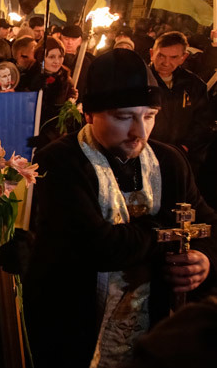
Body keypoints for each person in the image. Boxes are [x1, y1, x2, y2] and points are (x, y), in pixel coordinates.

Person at [25, 49, 217, 368]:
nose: (139, 132)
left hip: (151, 331)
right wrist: (161, 232)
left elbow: (208, 224)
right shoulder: (59, 161)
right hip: (75, 330)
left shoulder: (169, 163)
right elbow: (99, 246)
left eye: (149, 116)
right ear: (89, 114)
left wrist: (204, 259)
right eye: (124, 116)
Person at [149, 31, 213, 171]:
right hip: (146, 156)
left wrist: (186, 146)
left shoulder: (194, 86)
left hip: (181, 158)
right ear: (152, 53)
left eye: (173, 57)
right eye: (161, 55)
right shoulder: (140, 81)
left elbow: (202, 121)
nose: (166, 62)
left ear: (183, 58)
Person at [61, 24, 93, 93]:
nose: (69, 42)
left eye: (73, 39)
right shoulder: (55, 58)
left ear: (80, 41)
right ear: (61, 39)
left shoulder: (85, 62)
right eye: (66, 39)